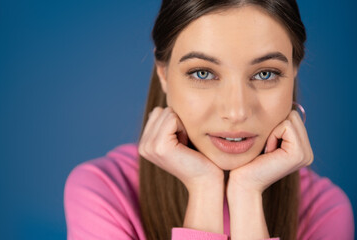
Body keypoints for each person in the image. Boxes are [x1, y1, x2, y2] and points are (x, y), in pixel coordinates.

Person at [64, 0, 355, 239]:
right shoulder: (103, 191)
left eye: (265, 73)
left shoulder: (324, 211)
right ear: (163, 74)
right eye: (203, 73)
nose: (237, 112)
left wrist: (247, 193)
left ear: (294, 72)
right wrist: (204, 189)